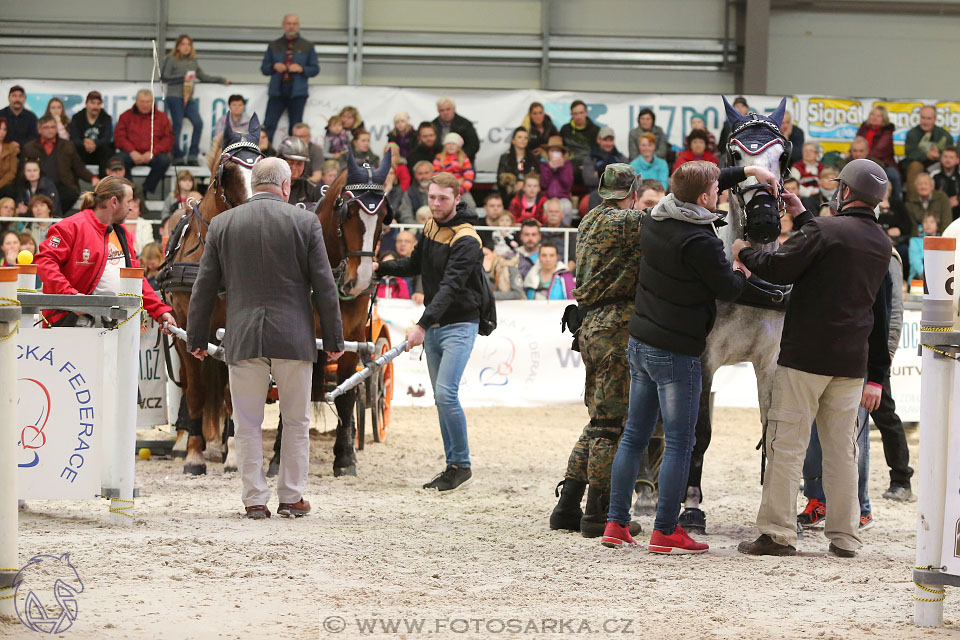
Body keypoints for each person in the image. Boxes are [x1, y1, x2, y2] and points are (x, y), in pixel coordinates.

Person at [735, 158, 892, 557]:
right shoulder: (882, 243)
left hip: (806, 357)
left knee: (787, 444)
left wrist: (744, 252)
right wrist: (803, 214)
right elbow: (880, 311)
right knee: (842, 452)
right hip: (851, 362)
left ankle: (777, 533)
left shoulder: (824, 229)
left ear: (844, 193)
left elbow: (779, 267)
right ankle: (844, 537)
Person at [601, 161, 755, 554]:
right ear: (705, 198)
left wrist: (749, 171)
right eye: (717, 188)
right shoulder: (700, 241)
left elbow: (700, 181)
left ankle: (616, 522)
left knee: (634, 435)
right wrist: (741, 262)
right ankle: (666, 529)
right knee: (680, 442)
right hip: (677, 349)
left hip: (641, 339)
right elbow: (728, 288)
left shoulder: (655, 216)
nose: (721, 190)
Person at [187, 157, 344, 519]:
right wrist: (333, 336)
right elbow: (324, 285)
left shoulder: (223, 223)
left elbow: (204, 287)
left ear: (254, 184)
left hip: (242, 335)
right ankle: (291, 496)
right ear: (286, 187)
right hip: (294, 335)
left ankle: (254, 499)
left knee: (246, 422)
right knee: (296, 420)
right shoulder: (305, 222)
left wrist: (195, 336)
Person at [551, 164, 647, 539]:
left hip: (590, 327)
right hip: (616, 329)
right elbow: (674, 213)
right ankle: (598, 512)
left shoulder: (590, 218)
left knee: (598, 421)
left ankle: (567, 505)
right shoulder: (627, 221)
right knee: (611, 425)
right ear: (633, 192)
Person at [375, 172, 485, 492]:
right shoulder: (431, 226)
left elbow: (451, 286)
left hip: (460, 323)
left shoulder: (466, 238)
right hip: (437, 324)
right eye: (432, 197)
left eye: (443, 199)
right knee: (441, 397)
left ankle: (460, 464)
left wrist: (421, 325)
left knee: (446, 393)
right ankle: (454, 464)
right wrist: (380, 268)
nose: (435, 204)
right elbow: (415, 264)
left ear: (457, 198)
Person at [34, 176, 177, 331]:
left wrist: (159, 310)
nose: (131, 207)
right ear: (114, 202)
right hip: (71, 325)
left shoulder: (122, 233)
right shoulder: (71, 226)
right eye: (129, 201)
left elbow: (136, 279)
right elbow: (44, 262)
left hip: (114, 325)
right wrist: (70, 296)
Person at [161, 34, 230, 165]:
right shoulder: (171, 59)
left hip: (189, 98)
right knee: (177, 126)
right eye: (183, 44)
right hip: (175, 97)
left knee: (198, 123)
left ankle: (193, 154)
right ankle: (177, 155)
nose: (186, 47)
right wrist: (182, 78)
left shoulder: (193, 61)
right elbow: (164, 77)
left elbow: (203, 77)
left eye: (188, 44)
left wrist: (221, 80)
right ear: (178, 46)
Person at [260, 14, 319, 143]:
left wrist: (301, 69)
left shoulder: (308, 46)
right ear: (283, 25)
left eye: (294, 24)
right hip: (277, 91)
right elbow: (264, 68)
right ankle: (264, 156)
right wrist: (274, 66)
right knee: (268, 126)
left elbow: (315, 69)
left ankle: (293, 156)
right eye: (288, 23)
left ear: (298, 26)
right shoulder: (274, 45)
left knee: (296, 128)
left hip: (298, 93)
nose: (291, 26)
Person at [23, 115, 99, 212]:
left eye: (53, 127)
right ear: (39, 130)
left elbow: (78, 166)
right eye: (46, 127)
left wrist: (93, 178)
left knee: (71, 193)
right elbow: (22, 170)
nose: (50, 130)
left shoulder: (67, 145)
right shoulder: (29, 147)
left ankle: (55, 218)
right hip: (38, 186)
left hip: (63, 186)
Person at [114, 89, 173, 195]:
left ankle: (144, 190)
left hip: (153, 155)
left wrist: (153, 152)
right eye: (142, 102)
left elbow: (168, 140)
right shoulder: (125, 116)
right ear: (136, 102)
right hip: (131, 154)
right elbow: (119, 137)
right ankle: (130, 190)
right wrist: (132, 151)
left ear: (153, 102)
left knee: (165, 160)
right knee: (119, 159)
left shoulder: (162, 118)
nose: (145, 105)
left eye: (148, 102)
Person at [903, 105, 954, 198]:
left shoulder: (945, 135)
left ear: (935, 119)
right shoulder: (912, 133)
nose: (925, 122)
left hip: (939, 164)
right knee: (915, 166)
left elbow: (951, 153)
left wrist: (939, 155)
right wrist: (927, 155)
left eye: (929, 118)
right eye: (923, 118)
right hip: (919, 164)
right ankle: (913, 203)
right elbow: (910, 153)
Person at [68, 91, 114, 177]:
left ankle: (103, 186)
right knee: (72, 150)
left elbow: (107, 138)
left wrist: (95, 144)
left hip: (99, 152)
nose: (95, 107)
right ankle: (73, 188)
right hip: (82, 151)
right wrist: (84, 143)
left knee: (107, 150)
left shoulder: (106, 118)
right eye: (92, 103)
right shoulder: (77, 117)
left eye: (98, 104)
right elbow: (73, 138)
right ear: (86, 104)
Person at [559, 100, 600, 182]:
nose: (578, 116)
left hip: (589, 165)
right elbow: (561, 150)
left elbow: (599, 153)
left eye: (581, 113)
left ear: (586, 113)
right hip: (570, 165)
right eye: (575, 113)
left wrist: (588, 165)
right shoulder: (565, 129)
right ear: (571, 115)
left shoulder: (596, 130)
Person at [497, 127, 539, 204]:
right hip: (509, 195)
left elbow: (537, 177)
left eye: (525, 138)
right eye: (520, 137)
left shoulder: (533, 159)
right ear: (513, 140)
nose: (523, 140)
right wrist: (513, 185)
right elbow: (500, 179)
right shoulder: (505, 158)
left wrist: (524, 185)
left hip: (529, 194)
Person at [277, 136, 323, 207]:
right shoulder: (269, 187)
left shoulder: (312, 189)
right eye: (291, 163)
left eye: (299, 164)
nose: (294, 168)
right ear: (280, 161)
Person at [432, 98, 480, 163]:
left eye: (448, 109)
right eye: (442, 110)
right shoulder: (433, 125)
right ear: (438, 111)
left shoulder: (465, 124)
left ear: (454, 109)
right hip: (439, 161)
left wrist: (460, 157)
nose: (445, 113)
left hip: (462, 161)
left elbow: (474, 145)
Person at [433, 133, 474, 200]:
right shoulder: (439, 158)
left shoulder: (464, 158)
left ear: (458, 146)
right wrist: (447, 185)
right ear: (444, 146)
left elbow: (469, 176)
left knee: (470, 203)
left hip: (460, 189)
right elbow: (436, 175)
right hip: (443, 189)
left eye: (453, 144)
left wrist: (461, 189)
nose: (451, 146)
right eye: (448, 144)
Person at [539, 136, 574, 214]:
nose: (555, 153)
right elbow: (543, 184)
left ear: (562, 153)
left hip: (563, 198)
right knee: (544, 206)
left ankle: (565, 226)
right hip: (547, 198)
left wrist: (561, 168)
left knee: (567, 206)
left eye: (557, 151)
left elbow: (567, 184)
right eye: (552, 151)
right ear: (548, 153)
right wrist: (550, 168)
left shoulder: (567, 165)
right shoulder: (543, 165)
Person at [932, 146, 960, 221]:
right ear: (941, 158)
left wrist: (958, 200)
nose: (948, 160)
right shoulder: (934, 176)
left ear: (957, 160)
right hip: (939, 210)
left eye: (951, 157)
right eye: (945, 157)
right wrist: (946, 202)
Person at [0, 117, 19, 196]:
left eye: (4, 129)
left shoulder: (12, 147)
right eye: (0, 128)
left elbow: (12, 172)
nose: (2, 132)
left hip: (4, 186)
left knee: (9, 190)